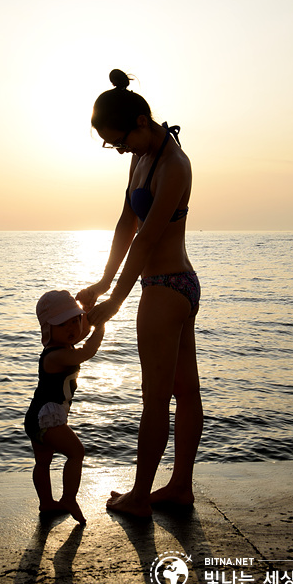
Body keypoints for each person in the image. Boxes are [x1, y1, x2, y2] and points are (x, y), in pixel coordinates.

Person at [77, 69, 202, 517]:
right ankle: (180, 488)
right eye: (111, 145)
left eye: (119, 141)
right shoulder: (142, 158)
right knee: (184, 390)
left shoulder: (175, 165)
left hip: (167, 288)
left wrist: (115, 301)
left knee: (157, 399)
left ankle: (140, 496)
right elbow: (126, 223)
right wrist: (102, 281)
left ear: (142, 122)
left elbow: (146, 239)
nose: (119, 150)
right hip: (171, 287)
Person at [25, 290, 105, 524]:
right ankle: (68, 498)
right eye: (62, 324)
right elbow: (87, 352)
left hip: (37, 417)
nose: (71, 328)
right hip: (46, 418)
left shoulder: (63, 344)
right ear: (48, 329)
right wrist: (101, 328)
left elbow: (82, 332)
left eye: (74, 320)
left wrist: (89, 314)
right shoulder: (56, 356)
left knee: (43, 462)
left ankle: (46, 503)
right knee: (76, 452)